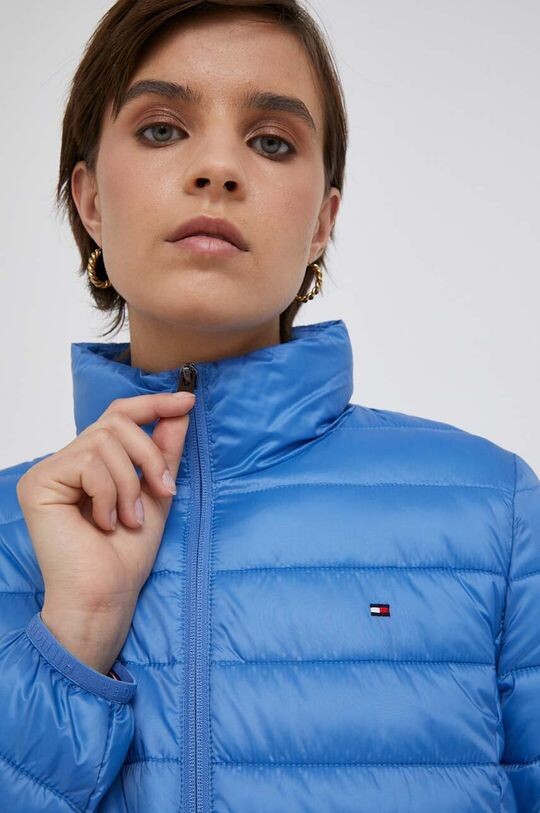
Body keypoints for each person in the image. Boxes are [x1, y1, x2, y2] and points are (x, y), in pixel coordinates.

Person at [0, 2, 538, 811]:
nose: (218, 168)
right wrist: (76, 630)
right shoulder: (10, 533)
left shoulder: (497, 512)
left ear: (323, 221)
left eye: (272, 142)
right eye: (161, 129)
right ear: (91, 201)